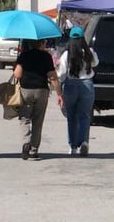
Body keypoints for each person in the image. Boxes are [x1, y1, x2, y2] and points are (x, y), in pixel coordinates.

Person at [13, 39, 62, 160]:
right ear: (42, 43)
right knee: (38, 120)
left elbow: (17, 74)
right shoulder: (46, 56)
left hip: (26, 90)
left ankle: (26, 142)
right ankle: (34, 149)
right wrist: (59, 94)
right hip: (41, 90)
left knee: (24, 118)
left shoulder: (24, 55)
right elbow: (52, 76)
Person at [57, 26, 99, 156]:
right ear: (82, 39)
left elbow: (62, 73)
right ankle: (84, 142)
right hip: (87, 84)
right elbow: (96, 63)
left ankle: (73, 146)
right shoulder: (89, 52)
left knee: (72, 117)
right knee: (85, 116)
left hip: (71, 85)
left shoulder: (66, 54)